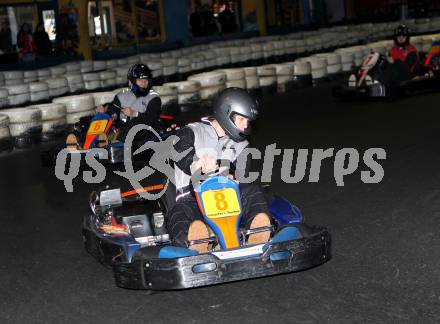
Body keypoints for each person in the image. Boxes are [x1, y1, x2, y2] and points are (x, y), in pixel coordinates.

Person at [167, 88, 272, 253]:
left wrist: (234, 177)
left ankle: (257, 232)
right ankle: (199, 240)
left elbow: (243, 176)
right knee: (180, 212)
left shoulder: (242, 146)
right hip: (192, 199)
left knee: (252, 190)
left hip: (229, 204)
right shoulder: (192, 132)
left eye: (248, 121)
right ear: (226, 114)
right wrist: (196, 164)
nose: (246, 126)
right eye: (242, 119)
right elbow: (180, 151)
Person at [95, 63, 161, 143]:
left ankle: (118, 145)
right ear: (130, 82)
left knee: (133, 125)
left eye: (145, 80)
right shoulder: (121, 96)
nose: (143, 83)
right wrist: (104, 111)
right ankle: (88, 145)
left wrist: (134, 113)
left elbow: (151, 118)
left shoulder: (153, 98)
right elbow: (113, 110)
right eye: (140, 80)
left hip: (145, 136)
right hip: (122, 132)